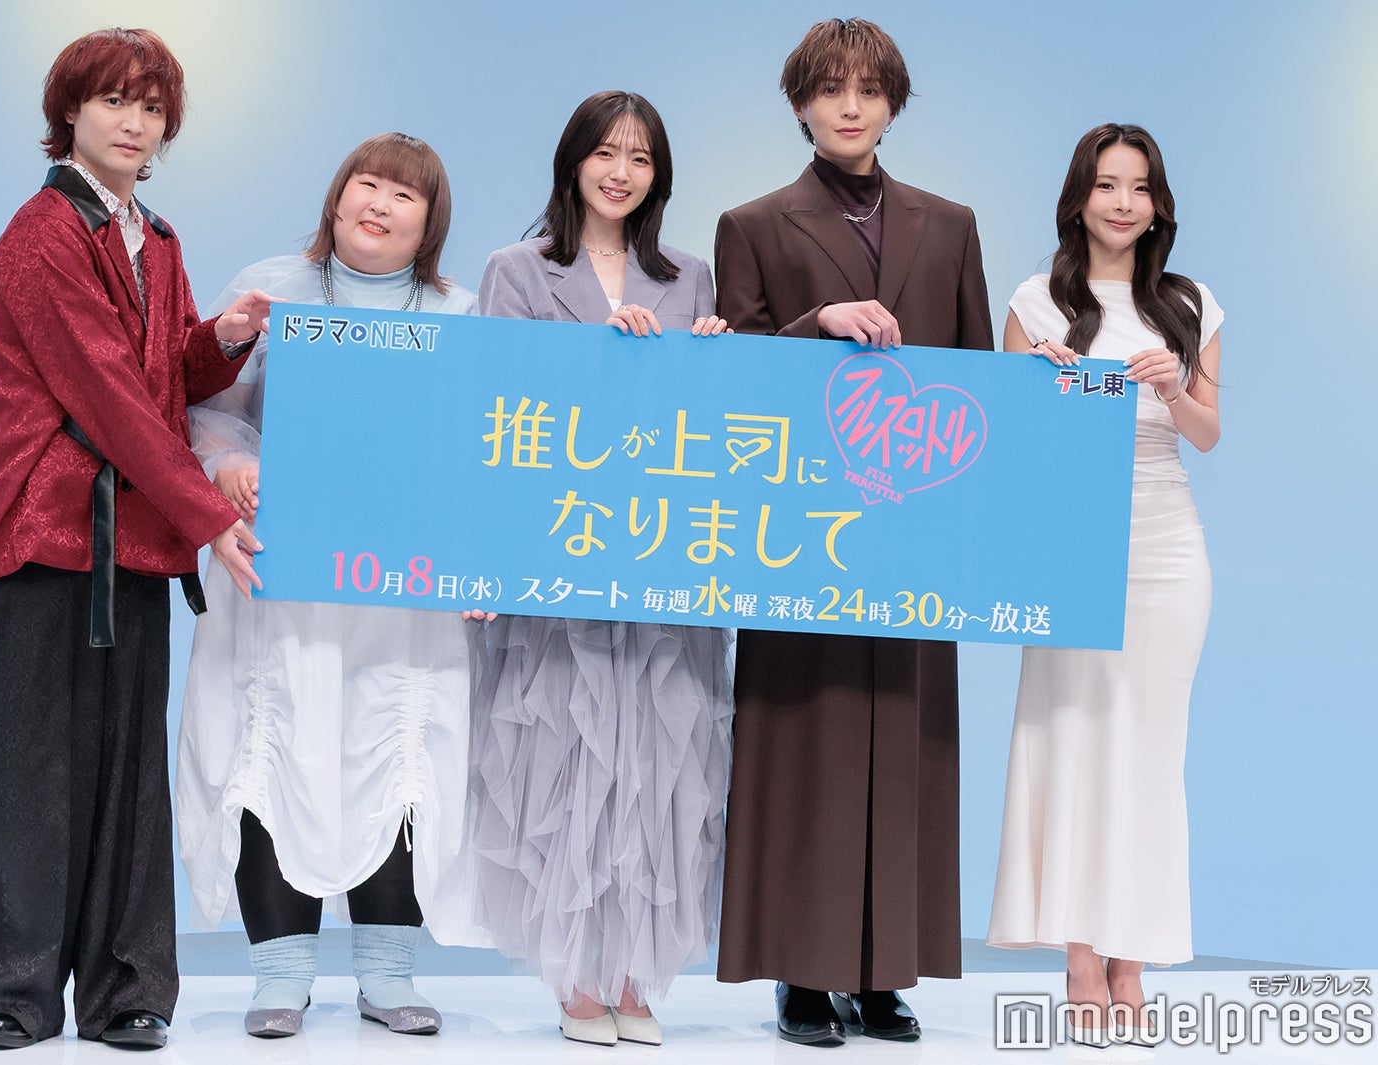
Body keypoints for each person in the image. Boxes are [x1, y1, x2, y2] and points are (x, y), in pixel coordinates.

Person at [0, 27, 270, 1051]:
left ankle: (127, 992)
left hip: (131, 540)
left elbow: (161, 377)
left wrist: (220, 340)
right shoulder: (40, 234)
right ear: (69, 112)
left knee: (131, 772)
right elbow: (104, 394)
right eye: (113, 101)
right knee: (30, 772)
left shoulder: (158, 237)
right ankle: (17, 995)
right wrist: (213, 517)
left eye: (151, 107)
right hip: (41, 533)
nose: (135, 122)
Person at [711, 17, 993, 1048]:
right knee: (804, 743)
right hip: (800, 530)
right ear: (799, 103)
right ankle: (801, 970)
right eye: (830, 88)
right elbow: (730, 377)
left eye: (869, 90)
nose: (849, 106)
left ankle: (880, 976)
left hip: (915, 521)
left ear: (892, 105)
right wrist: (814, 323)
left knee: (905, 741)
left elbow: (977, 378)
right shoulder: (753, 224)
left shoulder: (950, 223)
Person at [176, 132, 485, 1040]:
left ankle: (388, 976)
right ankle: (280, 979)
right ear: (337, 194)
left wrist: (483, 553)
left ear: (430, 222)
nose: (380, 204)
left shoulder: (461, 311)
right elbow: (205, 405)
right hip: (284, 574)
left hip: (403, 591)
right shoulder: (271, 287)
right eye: (368, 183)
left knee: (399, 752)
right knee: (274, 751)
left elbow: (484, 443)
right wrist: (228, 465)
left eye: (405, 195)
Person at [466, 90, 733, 1048]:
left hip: (662, 561)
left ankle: (633, 976)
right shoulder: (517, 270)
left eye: (641, 158)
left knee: (658, 763)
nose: (621, 172)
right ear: (573, 161)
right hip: (560, 551)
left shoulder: (689, 276)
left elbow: (706, 426)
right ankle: (577, 979)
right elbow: (499, 406)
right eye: (606, 153)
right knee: (569, 755)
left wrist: (712, 359)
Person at [986, 123, 1222, 1046]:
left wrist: (1172, 389)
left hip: (1167, 546)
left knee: (1151, 752)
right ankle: (1081, 955)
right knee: (1073, 741)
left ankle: (1134, 957)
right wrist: (1035, 388)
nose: (1123, 202)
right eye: (1106, 184)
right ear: (1078, 197)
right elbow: (1006, 445)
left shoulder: (1191, 304)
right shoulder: (1034, 300)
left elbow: (1207, 435)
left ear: (1158, 204)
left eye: (1140, 187)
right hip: (1069, 543)